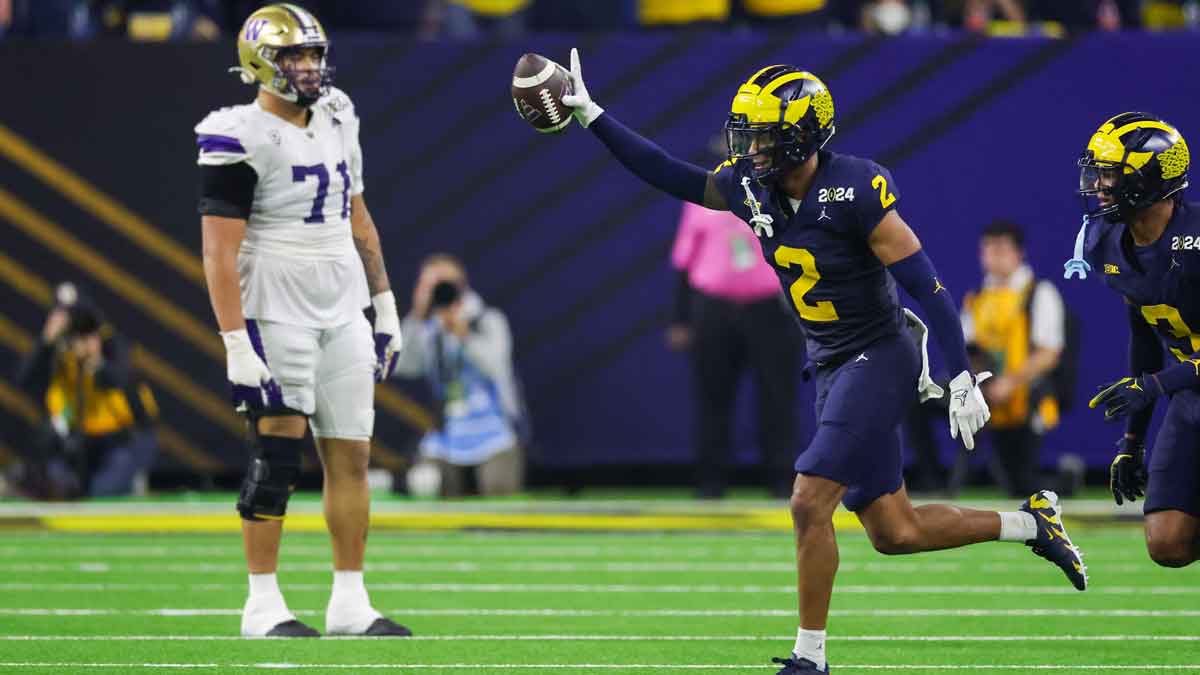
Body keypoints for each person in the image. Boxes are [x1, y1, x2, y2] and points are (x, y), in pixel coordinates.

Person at [558, 51, 1088, 672]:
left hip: (882, 354)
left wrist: (961, 373)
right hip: (832, 363)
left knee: (809, 500)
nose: (751, 149)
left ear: (803, 137)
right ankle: (1032, 523)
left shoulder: (855, 188)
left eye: (765, 137)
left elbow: (927, 284)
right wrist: (592, 115)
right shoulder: (748, 184)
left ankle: (809, 658)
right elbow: (667, 172)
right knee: (896, 532)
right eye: (748, 136)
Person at [195, 4, 409, 638]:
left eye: (315, 54)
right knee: (277, 455)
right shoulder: (237, 132)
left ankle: (350, 601)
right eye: (295, 56)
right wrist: (235, 340)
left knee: (352, 453)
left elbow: (358, 215)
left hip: (341, 298)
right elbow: (218, 250)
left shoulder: (340, 113)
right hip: (275, 299)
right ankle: (262, 605)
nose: (310, 67)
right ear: (262, 62)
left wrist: (386, 304)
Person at [1069, 111, 1200, 568]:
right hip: (1192, 395)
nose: (1101, 185)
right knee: (1166, 542)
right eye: (1100, 173)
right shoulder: (1109, 242)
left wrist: (1158, 386)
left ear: (1152, 178)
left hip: (1184, 386)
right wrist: (1132, 440)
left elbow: (1157, 375)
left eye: (1113, 174)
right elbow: (1144, 341)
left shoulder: (1195, 239)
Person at [668, 201, 800, 499]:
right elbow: (684, 260)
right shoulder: (700, 198)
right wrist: (680, 317)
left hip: (771, 310)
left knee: (778, 398)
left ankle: (781, 481)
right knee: (712, 398)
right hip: (714, 308)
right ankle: (710, 483)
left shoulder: (781, 196)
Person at [393, 254, 526, 497]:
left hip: (494, 434)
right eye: (428, 286)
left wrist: (463, 335)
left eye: (442, 284)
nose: (437, 291)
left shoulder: (487, 320)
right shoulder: (429, 329)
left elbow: (496, 367)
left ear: (460, 285)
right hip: (447, 436)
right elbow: (401, 366)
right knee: (425, 483)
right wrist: (416, 316)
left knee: (497, 491)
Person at [13, 284, 158, 499]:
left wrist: (97, 361)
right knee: (60, 489)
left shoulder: (111, 343)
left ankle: (128, 482)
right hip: (75, 443)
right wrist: (46, 343)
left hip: (117, 442)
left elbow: (129, 391)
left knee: (101, 493)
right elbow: (25, 382)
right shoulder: (56, 351)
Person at [959, 220, 1070, 497]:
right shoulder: (977, 298)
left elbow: (1049, 354)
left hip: (1025, 393)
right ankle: (930, 477)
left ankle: (1068, 478)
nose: (993, 258)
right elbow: (966, 350)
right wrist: (975, 384)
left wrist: (1009, 383)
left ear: (1019, 254)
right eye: (988, 250)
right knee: (919, 401)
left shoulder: (1039, 293)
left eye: (1001, 250)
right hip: (985, 391)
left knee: (1023, 486)